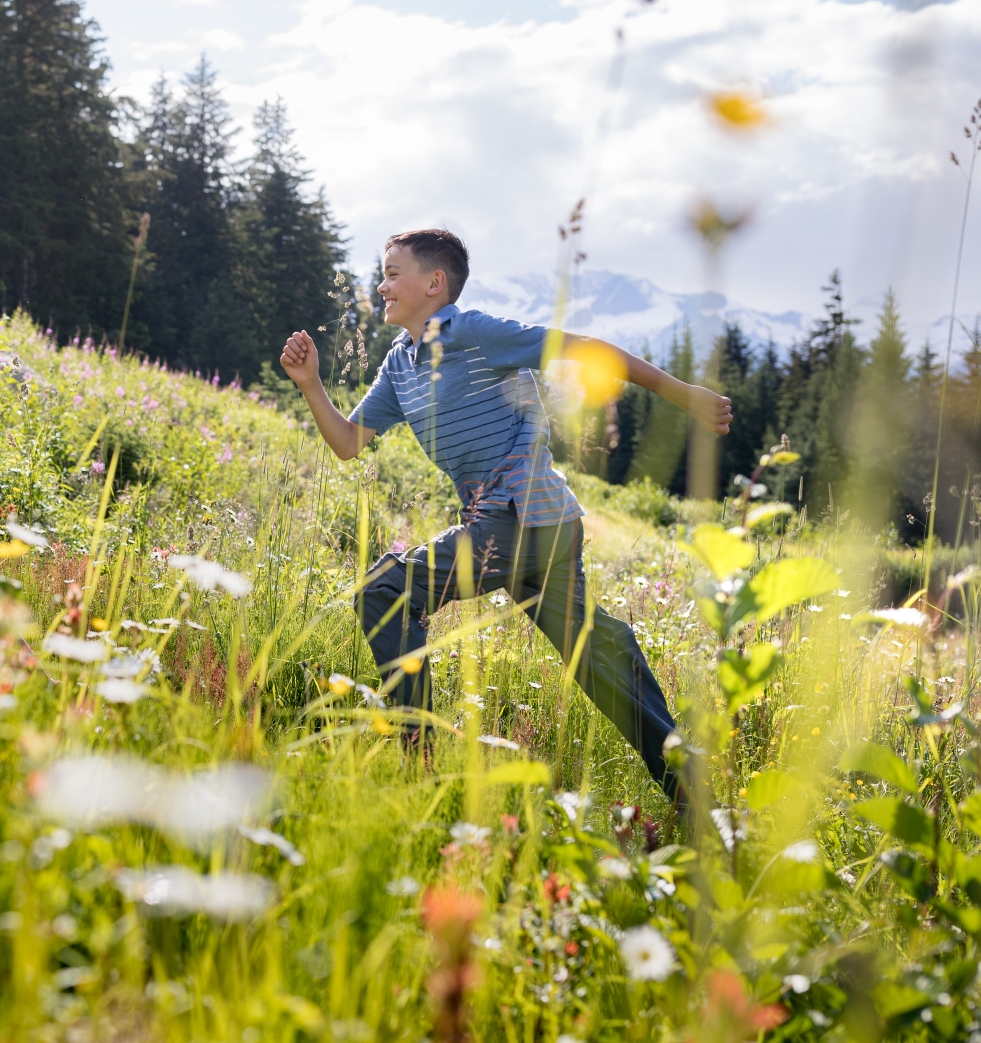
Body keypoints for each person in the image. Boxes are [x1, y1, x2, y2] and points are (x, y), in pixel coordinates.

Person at [277, 228, 731, 801]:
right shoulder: (401, 364)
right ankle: (699, 802)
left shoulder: (469, 333)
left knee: (384, 590)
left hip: (518, 518)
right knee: (601, 664)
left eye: (393, 273)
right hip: (538, 528)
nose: (382, 285)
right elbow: (347, 442)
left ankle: (416, 775)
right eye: (383, 273)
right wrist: (311, 384)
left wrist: (684, 394)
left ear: (434, 284)